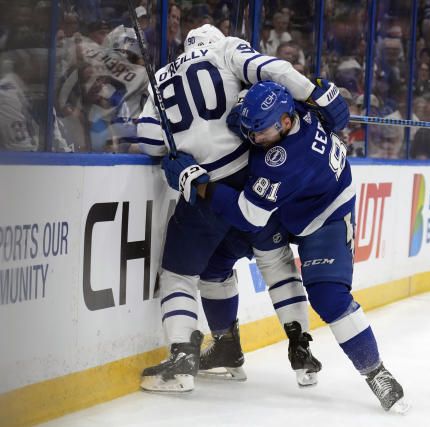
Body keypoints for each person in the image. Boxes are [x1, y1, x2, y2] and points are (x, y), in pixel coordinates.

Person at [171, 81, 409, 413]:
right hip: (285, 206)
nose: (255, 138)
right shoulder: (296, 105)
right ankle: (226, 345)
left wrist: (196, 183)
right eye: (251, 130)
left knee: (329, 297)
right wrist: (323, 90)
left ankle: (377, 373)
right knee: (214, 264)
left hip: (323, 215)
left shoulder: (284, 160)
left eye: (262, 132)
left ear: (285, 122)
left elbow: (249, 214)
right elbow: (302, 90)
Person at [136, 24, 349, 392]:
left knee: (181, 274)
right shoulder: (226, 52)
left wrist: (183, 148)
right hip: (252, 177)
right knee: (274, 259)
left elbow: (148, 140)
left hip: (206, 186)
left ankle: (185, 361)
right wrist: (314, 94)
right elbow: (277, 72)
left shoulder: (160, 78)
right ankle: (298, 347)